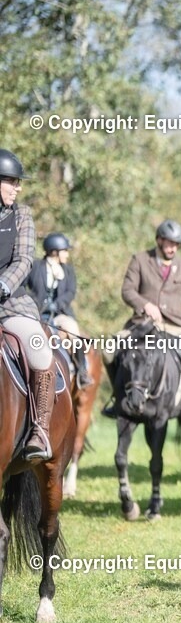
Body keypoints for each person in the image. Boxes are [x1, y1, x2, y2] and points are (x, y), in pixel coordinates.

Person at [101, 220, 181, 418]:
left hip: (174, 325)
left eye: (176, 244)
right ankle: (117, 397)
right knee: (108, 350)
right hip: (142, 323)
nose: (172, 248)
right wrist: (145, 305)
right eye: (169, 243)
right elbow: (127, 290)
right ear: (158, 240)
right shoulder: (140, 260)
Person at [0, 149, 57, 460]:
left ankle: (40, 430)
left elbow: (24, 259)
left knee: (39, 347)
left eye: (18, 183)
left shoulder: (22, 215)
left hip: (13, 306)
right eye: (12, 182)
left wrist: (2, 284)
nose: (17, 188)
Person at [26, 232, 93, 386]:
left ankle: (81, 371)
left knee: (73, 332)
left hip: (60, 314)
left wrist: (57, 304)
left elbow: (71, 291)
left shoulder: (68, 270)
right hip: (38, 313)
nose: (67, 254)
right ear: (54, 251)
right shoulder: (36, 266)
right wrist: (35, 301)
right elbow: (25, 286)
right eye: (65, 251)